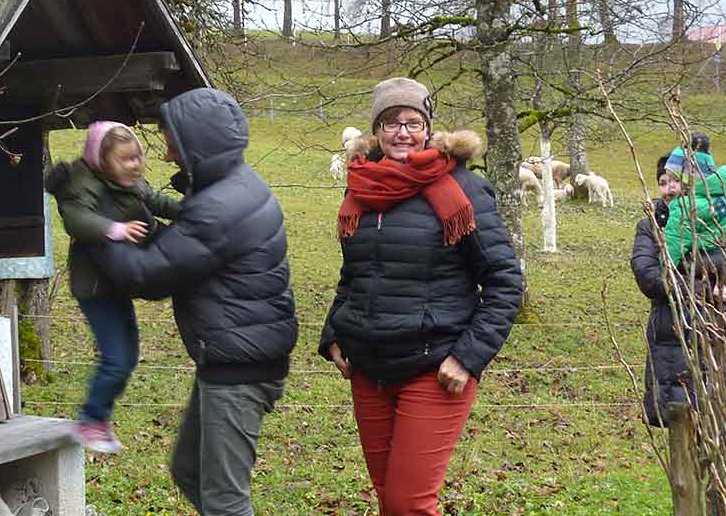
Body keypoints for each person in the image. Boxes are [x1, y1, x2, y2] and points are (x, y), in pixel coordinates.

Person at [318, 77, 522, 516]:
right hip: (368, 367)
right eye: (391, 122)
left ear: (428, 128)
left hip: (433, 367)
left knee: (409, 504)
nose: (403, 132)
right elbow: (354, 272)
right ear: (376, 130)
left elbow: (505, 281)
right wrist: (335, 333)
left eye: (413, 121)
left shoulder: (463, 190)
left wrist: (468, 356)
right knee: (389, 499)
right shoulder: (362, 186)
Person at [88, 87, 297, 516]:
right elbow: (188, 247)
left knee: (224, 500)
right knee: (190, 471)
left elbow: (148, 274)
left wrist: (100, 232)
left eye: (171, 143)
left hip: (239, 368)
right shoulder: (234, 188)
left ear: (198, 143)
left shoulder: (220, 207)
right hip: (234, 358)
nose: (167, 155)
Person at [632, 152, 726, 512]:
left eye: (677, 181)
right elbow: (650, 279)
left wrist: (686, 266)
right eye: (663, 182)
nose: (670, 188)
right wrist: (709, 285)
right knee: (686, 469)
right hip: (678, 351)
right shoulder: (650, 226)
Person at [43, 121, 182, 453]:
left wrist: (194, 212)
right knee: (117, 357)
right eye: (125, 159)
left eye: (137, 157)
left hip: (116, 283)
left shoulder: (129, 182)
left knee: (128, 355)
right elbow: (76, 218)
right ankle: (90, 420)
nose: (134, 165)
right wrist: (114, 229)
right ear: (103, 162)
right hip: (95, 288)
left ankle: (98, 418)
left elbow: (156, 201)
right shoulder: (83, 185)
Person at [661, 133, 726, 267]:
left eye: (676, 179)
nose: (671, 185)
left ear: (690, 179)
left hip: (705, 258)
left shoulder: (685, 205)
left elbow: (676, 242)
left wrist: (665, 266)